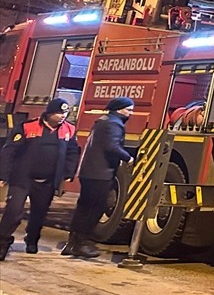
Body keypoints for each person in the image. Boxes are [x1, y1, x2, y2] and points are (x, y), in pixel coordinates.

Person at [0, 97, 81, 260]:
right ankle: (2, 243)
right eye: (59, 113)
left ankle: (32, 239)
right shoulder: (28, 126)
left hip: (47, 181)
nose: (62, 116)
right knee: (14, 212)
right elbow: (9, 151)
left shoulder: (69, 130)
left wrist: (68, 173)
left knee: (39, 213)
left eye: (65, 113)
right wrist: (3, 175)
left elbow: (73, 152)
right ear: (49, 113)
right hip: (22, 178)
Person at [63, 96, 133, 259]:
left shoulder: (103, 121)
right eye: (128, 110)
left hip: (90, 172)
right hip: (100, 174)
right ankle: (82, 242)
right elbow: (111, 146)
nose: (131, 113)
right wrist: (128, 157)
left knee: (83, 207)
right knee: (95, 208)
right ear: (118, 109)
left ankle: (72, 243)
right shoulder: (114, 124)